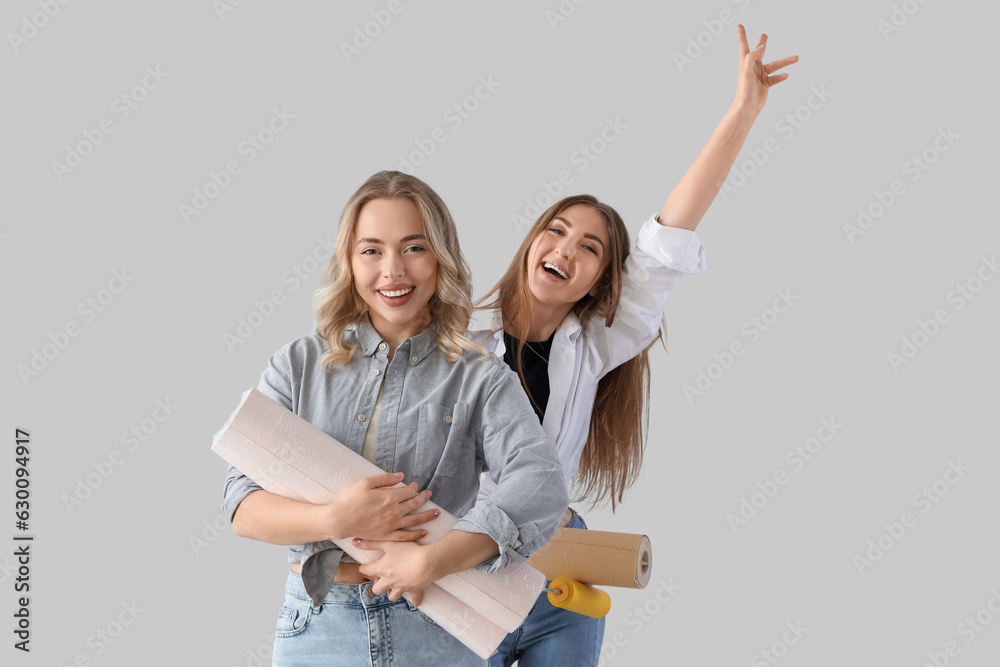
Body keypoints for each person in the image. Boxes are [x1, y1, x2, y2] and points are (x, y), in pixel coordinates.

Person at [475, 26, 799, 666]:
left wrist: (741, 113)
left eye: (590, 248)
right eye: (557, 230)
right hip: (465, 572)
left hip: (561, 572)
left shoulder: (594, 346)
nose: (565, 249)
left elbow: (668, 238)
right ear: (532, 242)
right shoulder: (453, 338)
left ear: (602, 282)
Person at [221, 171, 568, 666]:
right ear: (349, 261)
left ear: (440, 258)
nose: (392, 271)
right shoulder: (296, 365)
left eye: (414, 247)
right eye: (371, 250)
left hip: (436, 625)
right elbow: (243, 504)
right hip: (319, 625)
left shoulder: (480, 377)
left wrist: (432, 559)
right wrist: (336, 519)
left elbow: (541, 481)